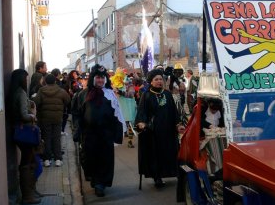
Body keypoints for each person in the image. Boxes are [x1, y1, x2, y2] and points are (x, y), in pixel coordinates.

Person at [72, 64, 126, 197]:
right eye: (98, 78)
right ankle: (95, 180)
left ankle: (100, 183)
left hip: (106, 134)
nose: (100, 80)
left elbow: (117, 114)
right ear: (93, 79)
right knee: (90, 158)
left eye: (102, 78)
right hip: (89, 134)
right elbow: (77, 114)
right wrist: (77, 130)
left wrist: (118, 131)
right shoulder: (83, 95)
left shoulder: (110, 94)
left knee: (105, 159)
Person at [135, 69, 185, 188]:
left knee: (169, 152)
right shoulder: (146, 95)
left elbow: (174, 112)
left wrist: (178, 124)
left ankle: (172, 172)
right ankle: (157, 177)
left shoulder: (167, 94)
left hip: (168, 130)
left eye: (160, 79)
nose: (159, 81)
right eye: (156, 79)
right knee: (155, 154)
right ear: (151, 82)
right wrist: (141, 123)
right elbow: (141, 112)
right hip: (154, 131)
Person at [7, 69, 41, 205]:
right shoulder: (20, 93)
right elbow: (23, 114)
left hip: (19, 129)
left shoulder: (15, 92)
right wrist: (32, 116)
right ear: (21, 79)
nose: (26, 81)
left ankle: (30, 192)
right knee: (28, 161)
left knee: (29, 160)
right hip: (24, 130)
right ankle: (28, 196)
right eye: (25, 78)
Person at [32, 74, 71, 167]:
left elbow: (36, 102)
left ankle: (47, 160)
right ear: (55, 81)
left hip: (45, 118)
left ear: (45, 81)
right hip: (57, 117)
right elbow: (68, 100)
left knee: (47, 138)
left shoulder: (41, 90)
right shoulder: (61, 91)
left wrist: (34, 97)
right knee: (56, 138)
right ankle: (58, 159)